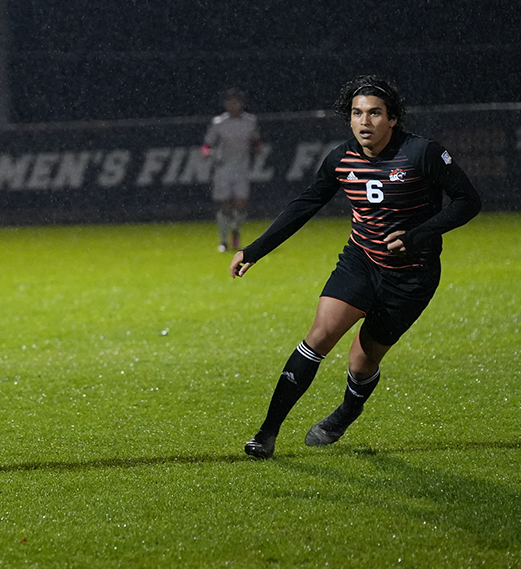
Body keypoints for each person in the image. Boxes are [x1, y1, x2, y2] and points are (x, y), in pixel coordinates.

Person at [230, 75, 480, 459]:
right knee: (319, 335)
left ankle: (347, 411)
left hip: (411, 276)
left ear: (392, 118)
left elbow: (468, 201)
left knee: (361, 362)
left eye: (375, 113)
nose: (365, 121)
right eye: (357, 113)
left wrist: (416, 235)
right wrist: (255, 250)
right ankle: (267, 433)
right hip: (360, 261)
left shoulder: (422, 153)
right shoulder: (341, 158)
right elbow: (304, 205)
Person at [203, 88, 260, 252]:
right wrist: (207, 152)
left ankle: (235, 229)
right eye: (229, 102)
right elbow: (208, 143)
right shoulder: (219, 123)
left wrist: (256, 148)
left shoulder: (250, 121)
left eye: (236, 102)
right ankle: (223, 241)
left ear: (242, 104)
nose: (232, 105)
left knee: (241, 204)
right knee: (225, 205)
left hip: (241, 168)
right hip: (223, 168)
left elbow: (255, 140)